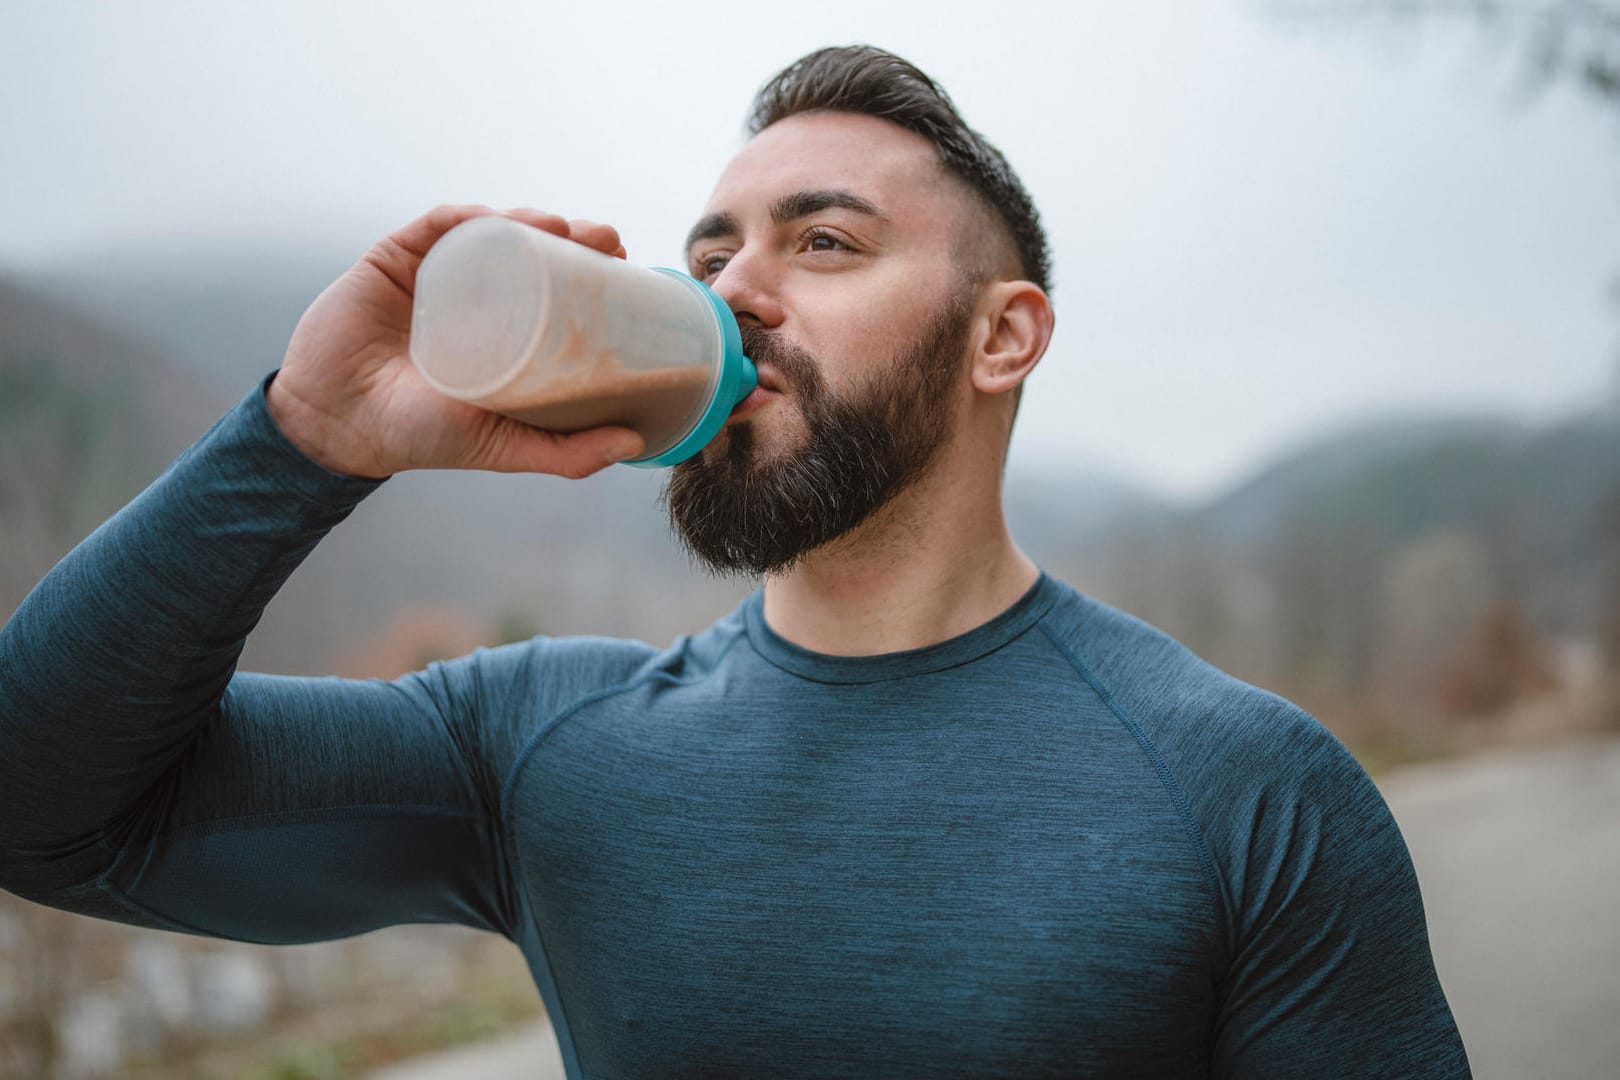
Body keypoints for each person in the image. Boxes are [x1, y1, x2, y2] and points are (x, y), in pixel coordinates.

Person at [0, 45, 1469, 1079]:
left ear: (1001, 335)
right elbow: (41, 804)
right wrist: (303, 438)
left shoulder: (1247, 792)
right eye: (710, 258)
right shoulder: (536, 748)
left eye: (822, 245)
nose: (734, 294)